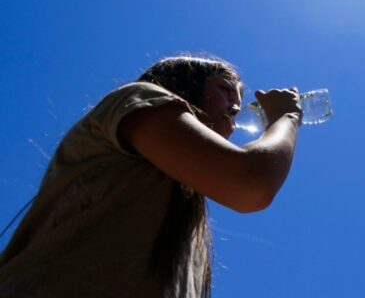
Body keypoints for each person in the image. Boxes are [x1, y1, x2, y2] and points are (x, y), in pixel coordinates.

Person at [0, 56, 303, 297]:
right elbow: (251, 182)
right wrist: (285, 118)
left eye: (237, 100)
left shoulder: (184, 204)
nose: (235, 108)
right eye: (224, 90)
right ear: (185, 85)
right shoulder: (138, 99)